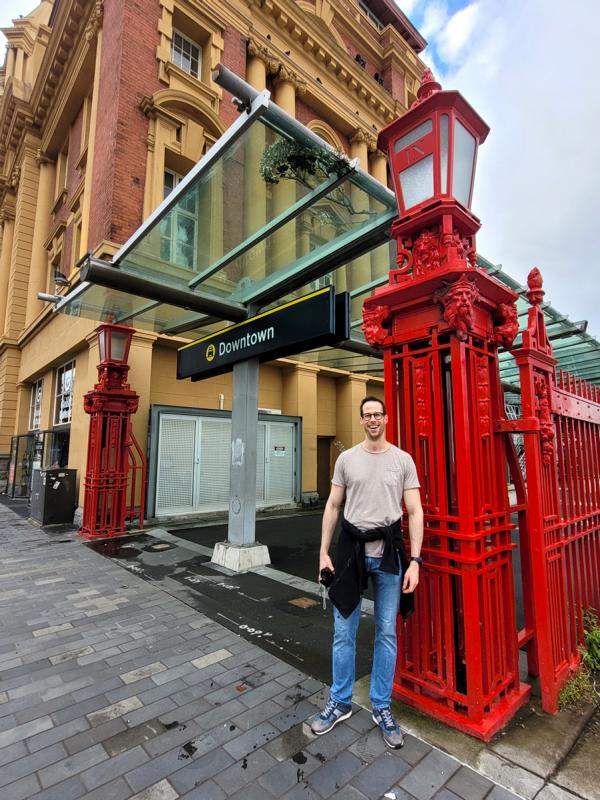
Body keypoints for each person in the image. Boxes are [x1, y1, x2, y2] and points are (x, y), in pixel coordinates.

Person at [310, 395, 423, 749]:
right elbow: (333, 505)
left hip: (389, 557)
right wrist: (323, 552)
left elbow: (415, 511)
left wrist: (416, 561)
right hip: (351, 554)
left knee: (387, 631)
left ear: (386, 418)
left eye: (378, 414)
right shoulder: (347, 459)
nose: (373, 420)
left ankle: (381, 705)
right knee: (344, 630)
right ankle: (340, 701)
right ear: (361, 421)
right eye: (367, 415)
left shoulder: (402, 460)